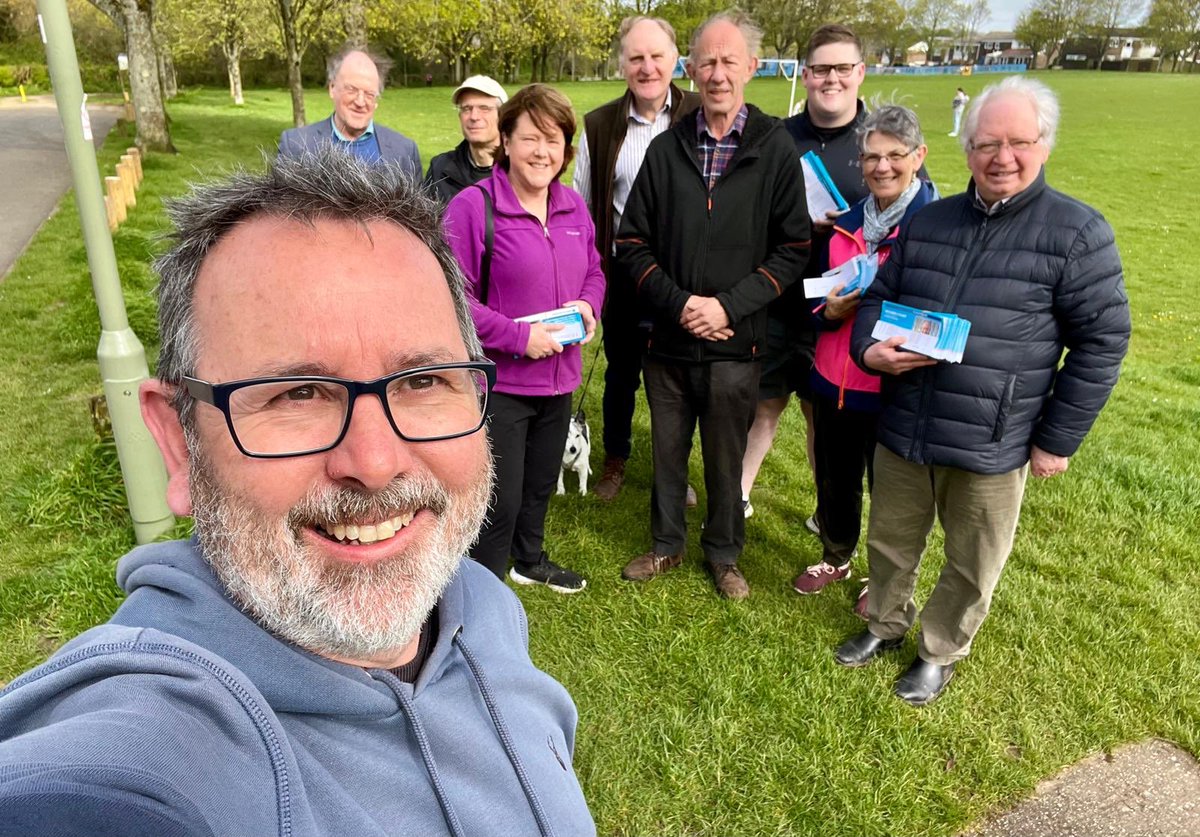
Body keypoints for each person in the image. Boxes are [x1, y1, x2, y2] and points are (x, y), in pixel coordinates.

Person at [0, 148, 596, 835]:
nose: (374, 462)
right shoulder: (148, 753)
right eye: (297, 393)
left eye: (423, 380)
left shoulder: (483, 608)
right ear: (178, 442)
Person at [834, 76, 1130, 706]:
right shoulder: (929, 221)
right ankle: (885, 623)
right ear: (966, 150)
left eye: (1018, 142)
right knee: (890, 538)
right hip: (907, 420)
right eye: (987, 143)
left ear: (1043, 144)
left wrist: (1056, 439)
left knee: (973, 559)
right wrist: (869, 349)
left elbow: (1103, 342)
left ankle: (940, 649)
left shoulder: (1078, 233)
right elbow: (879, 299)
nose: (1002, 157)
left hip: (993, 435)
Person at [616, 11, 811, 600]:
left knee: (726, 459)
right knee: (668, 452)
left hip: (737, 342)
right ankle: (665, 545)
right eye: (707, 61)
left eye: (729, 61)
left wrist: (727, 307)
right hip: (669, 342)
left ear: (752, 67)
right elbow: (630, 243)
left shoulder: (775, 148)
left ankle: (724, 554)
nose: (717, 73)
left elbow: (793, 247)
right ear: (690, 69)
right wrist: (680, 305)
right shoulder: (667, 147)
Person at [444, 84, 605, 594]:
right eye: (531, 137)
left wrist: (588, 305)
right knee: (502, 498)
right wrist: (517, 337)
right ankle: (483, 588)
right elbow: (451, 297)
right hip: (503, 382)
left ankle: (529, 560)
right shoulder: (474, 207)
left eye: (553, 140)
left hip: (560, 379)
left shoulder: (574, 207)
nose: (542, 151)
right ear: (506, 141)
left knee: (539, 486)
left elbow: (595, 272)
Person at [790, 105, 936, 618]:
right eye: (872, 156)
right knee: (834, 477)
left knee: (894, 494)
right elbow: (810, 294)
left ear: (918, 157)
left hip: (895, 387)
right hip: (834, 378)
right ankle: (836, 555)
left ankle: (887, 577)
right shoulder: (842, 224)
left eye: (895, 155)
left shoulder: (936, 227)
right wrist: (826, 310)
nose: (882, 167)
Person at [740, 24, 869, 530]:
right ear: (805, 75)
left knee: (825, 418)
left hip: (843, 312)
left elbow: (907, 219)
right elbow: (746, 213)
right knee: (763, 406)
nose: (830, 79)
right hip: (777, 301)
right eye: (820, 70)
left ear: (859, 73)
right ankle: (737, 499)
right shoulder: (777, 137)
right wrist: (793, 222)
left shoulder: (879, 141)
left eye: (842, 68)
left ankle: (827, 513)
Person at [573, 16, 700, 503]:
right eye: (636, 57)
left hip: (684, 276)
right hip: (624, 275)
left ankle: (676, 472)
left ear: (675, 60)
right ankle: (615, 461)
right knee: (621, 374)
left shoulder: (696, 116)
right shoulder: (601, 125)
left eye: (656, 56)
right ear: (623, 64)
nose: (647, 67)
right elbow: (583, 209)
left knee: (676, 380)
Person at [278, 48, 422, 180]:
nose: (360, 102)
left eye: (369, 94)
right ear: (332, 89)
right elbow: (279, 207)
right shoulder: (296, 145)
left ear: (376, 100)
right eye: (351, 89)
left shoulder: (405, 152)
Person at [423, 75, 508, 203]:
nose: (474, 116)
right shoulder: (440, 169)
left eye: (484, 108)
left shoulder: (518, 170)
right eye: (466, 109)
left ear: (502, 116)